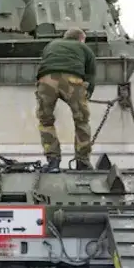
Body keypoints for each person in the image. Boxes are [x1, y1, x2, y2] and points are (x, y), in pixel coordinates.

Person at [35, 27, 97, 172]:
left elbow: (45, 63)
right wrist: (89, 92)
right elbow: (91, 74)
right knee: (81, 121)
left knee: (46, 121)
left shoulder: (52, 44)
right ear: (81, 39)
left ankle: (53, 162)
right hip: (73, 80)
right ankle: (82, 162)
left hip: (46, 80)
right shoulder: (84, 47)